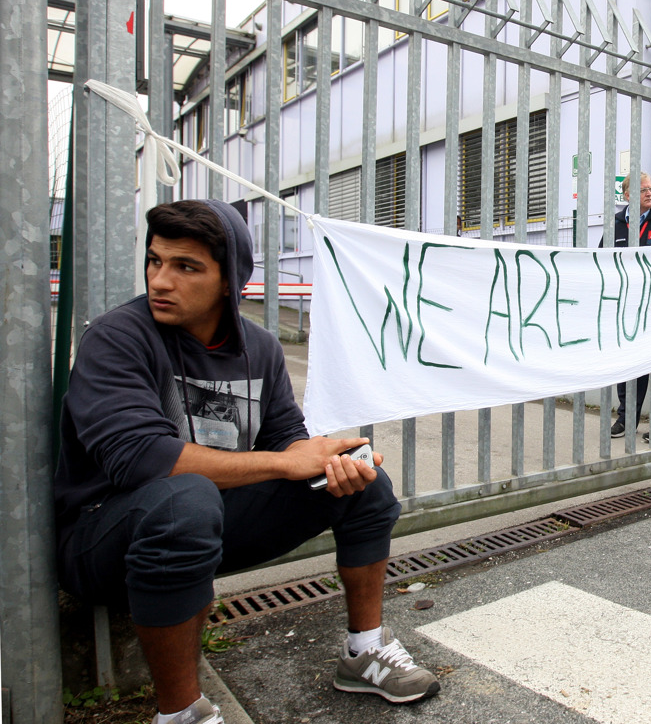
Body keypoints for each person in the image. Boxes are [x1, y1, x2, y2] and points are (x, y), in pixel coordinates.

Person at [55, 200, 440, 724]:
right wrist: (285, 465)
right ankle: (183, 714)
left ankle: (363, 650)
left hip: (202, 520)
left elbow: (287, 442)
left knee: (362, 479)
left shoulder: (259, 346)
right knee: (182, 499)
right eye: (155, 261)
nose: (160, 281)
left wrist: (328, 458)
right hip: (103, 536)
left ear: (229, 280)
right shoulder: (118, 338)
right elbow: (139, 459)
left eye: (186, 267)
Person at [608, 172, 651, 443]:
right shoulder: (616, 224)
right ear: (626, 196)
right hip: (628, 307)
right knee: (629, 364)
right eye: (643, 190)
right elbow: (603, 262)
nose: (649, 193)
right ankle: (627, 418)